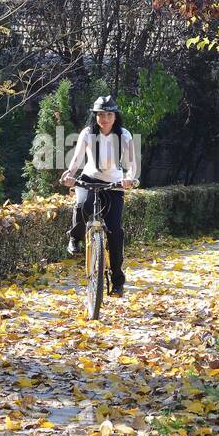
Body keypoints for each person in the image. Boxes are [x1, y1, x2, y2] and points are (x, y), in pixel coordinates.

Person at [61, 95, 140, 296]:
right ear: (95, 116)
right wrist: (70, 174)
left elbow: (131, 164)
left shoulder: (124, 135)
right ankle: (75, 237)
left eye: (109, 114)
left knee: (115, 233)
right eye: (100, 115)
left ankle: (118, 282)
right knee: (82, 206)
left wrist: (130, 178)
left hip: (114, 185)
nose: (104, 119)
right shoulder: (88, 133)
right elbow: (77, 158)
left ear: (115, 116)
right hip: (89, 179)